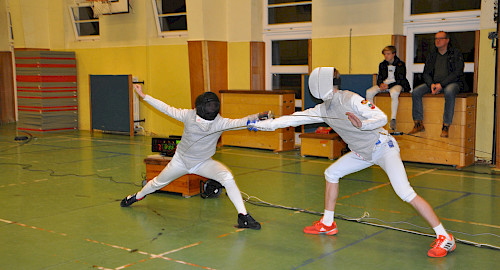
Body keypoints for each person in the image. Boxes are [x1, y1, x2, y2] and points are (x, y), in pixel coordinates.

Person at [249, 67, 456, 257]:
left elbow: (381, 117)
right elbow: (292, 119)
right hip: (362, 153)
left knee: (405, 192)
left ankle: (445, 237)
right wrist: (263, 125)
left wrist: (362, 124)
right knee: (332, 173)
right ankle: (328, 223)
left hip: (383, 147)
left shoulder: (350, 99)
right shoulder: (322, 109)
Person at [121, 84, 265, 230]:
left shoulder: (219, 123)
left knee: (226, 177)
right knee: (158, 183)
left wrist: (257, 118)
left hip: (203, 162)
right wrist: (144, 96)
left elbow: (241, 122)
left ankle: (243, 217)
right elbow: (166, 109)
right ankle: (137, 196)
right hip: (180, 161)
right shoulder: (190, 116)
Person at [409, 31, 466, 138]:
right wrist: (431, 84)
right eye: (435, 39)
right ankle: (418, 123)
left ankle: (446, 125)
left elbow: (458, 72)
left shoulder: (455, 53)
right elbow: (426, 73)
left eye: (440, 38)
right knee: (416, 92)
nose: (437, 41)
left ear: (447, 40)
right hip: (434, 83)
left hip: (452, 83)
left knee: (449, 91)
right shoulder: (432, 55)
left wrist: (442, 85)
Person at [365, 45, 410, 130]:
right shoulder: (382, 64)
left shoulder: (400, 64)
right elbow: (380, 77)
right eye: (385, 54)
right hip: (385, 83)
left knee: (394, 93)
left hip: (396, 84)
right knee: (369, 92)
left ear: (393, 54)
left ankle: (393, 119)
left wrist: (388, 86)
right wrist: (380, 84)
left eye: (388, 54)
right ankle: (372, 114)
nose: (386, 56)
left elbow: (401, 79)